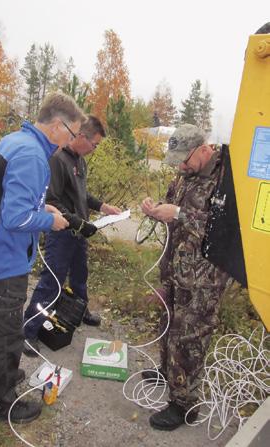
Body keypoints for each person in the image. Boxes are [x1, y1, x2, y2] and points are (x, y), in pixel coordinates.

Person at [0, 92, 85, 423]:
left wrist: (41, 207)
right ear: (58, 126)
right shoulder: (33, 156)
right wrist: (52, 220)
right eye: (72, 133)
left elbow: (11, 198)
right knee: (6, 331)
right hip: (4, 260)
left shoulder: (14, 141)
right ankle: (1, 402)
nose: (71, 140)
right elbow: (16, 218)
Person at [140, 124, 229, 431]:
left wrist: (178, 213)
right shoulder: (185, 174)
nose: (180, 165)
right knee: (169, 324)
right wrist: (155, 210)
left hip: (205, 279)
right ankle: (169, 374)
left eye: (185, 159)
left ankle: (184, 406)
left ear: (204, 149)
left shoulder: (228, 179)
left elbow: (227, 230)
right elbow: (173, 212)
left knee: (190, 337)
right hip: (177, 270)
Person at [23, 115, 121, 356]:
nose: (94, 149)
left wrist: (103, 206)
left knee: (80, 274)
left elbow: (82, 195)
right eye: (94, 144)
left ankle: (80, 309)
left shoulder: (81, 161)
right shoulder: (58, 159)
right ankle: (28, 331)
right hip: (61, 232)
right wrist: (77, 223)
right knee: (52, 282)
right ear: (80, 136)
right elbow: (52, 200)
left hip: (79, 232)